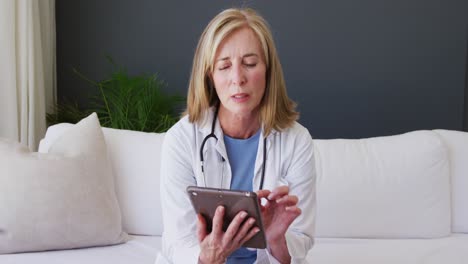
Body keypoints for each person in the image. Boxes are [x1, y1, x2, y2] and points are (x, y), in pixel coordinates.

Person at [157, 7, 316, 264]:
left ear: (268, 70)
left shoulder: (297, 141)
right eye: (224, 66)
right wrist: (209, 257)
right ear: (210, 75)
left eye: (250, 64)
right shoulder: (182, 139)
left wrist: (276, 240)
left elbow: (301, 241)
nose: (237, 79)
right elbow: (179, 242)